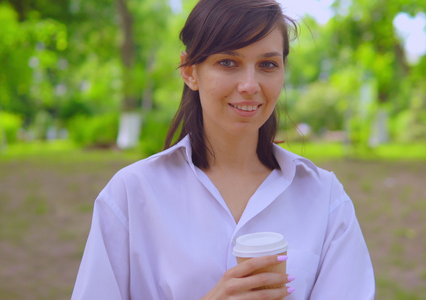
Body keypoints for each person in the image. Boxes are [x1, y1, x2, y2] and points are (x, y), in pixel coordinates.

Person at [71, 0, 375, 299]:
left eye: (267, 64)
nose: (249, 85)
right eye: (228, 62)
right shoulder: (130, 195)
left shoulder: (326, 199)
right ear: (190, 71)